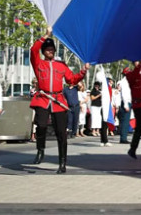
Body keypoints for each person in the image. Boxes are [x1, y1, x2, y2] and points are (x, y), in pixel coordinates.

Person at [30, 28, 89, 174]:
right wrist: (46, 36)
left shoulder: (61, 65)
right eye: (47, 49)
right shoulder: (38, 63)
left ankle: (63, 162)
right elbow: (33, 50)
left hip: (58, 100)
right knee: (41, 125)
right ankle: (40, 149)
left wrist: (83, 72)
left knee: (61, 133)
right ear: (43, 51)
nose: (50, 51)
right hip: (43, 98)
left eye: (52, 49)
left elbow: (71, 79)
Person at [117, 75, 132, 144]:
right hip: (126, 102)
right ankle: (123, 138)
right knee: (125, 121)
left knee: (126, 121)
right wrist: (126, 105)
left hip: (127, 102)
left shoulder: (127, 81)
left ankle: (124, 137)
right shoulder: (125, 82)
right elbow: (124, 95)